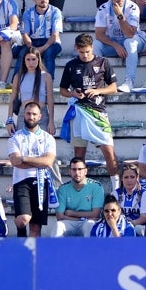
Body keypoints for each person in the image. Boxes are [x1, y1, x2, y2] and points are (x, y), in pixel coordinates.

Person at [60, 32, 120, 190]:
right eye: (81, 52)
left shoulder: (103, 62)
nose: (85, 55)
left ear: (92, 47)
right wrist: (73, 93)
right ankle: (79, 187)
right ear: (76, 49)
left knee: (108, 150)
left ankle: (116, 188)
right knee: (79, 154)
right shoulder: (71, 65)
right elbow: (62, 90)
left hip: (98, 112)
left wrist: (98, 91)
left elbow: (113, 87)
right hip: (79, 111)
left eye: (87, 51)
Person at [8, 101, 59, 238]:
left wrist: (24, 158)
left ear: (40, 116)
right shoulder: (15, 137)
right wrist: (38, 161)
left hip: (41, 182)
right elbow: (15, 162)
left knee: (36, 227)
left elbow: (48, 162)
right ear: (24, 115)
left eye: (34, 114)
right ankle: (20, 233)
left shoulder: (48, 138)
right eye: (29, 114)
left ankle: (31, 256)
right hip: (22, 181)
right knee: (23, 219)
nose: (31, 117)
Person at [17, 0, 64, 78]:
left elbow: (55, 35)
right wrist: (31, 47)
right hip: (33, 41)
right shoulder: (28, 13)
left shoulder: (56, 11)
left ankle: (49, 82)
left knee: (49, 53)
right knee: (22, 53)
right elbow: (25, 34)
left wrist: (42, 48)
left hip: (51, 41)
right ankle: (16, 80)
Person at [7, 46, 55, 135]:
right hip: (24, 114)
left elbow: (50, 100)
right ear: (24, 61)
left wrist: (51, 121)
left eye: (33, 59)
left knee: (42, 145)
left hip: (41, 114)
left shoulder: (46, 76)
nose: (31, 63)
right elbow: (13, 99)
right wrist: (9, 120)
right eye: (28, 59)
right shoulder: (18, 76)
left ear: (38, 60)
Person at [53, 156, 104, 237]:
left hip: (87, 222)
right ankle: (55, 250)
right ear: (69, 171)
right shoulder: (63, 189)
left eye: (80, 169)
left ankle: (91, 250)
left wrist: (72, 213)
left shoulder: (96, 187)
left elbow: (95, 214)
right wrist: (80, 219)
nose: (77, 173)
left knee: (90, 224)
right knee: (59, 225)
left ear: (85, 171)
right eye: (74, 169)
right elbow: (60, 216)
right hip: (71, 222)